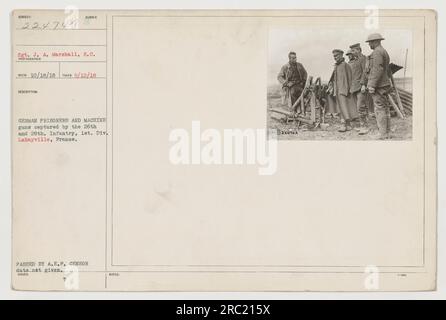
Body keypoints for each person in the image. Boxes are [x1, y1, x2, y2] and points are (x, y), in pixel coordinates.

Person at [364, 33, 392, 139]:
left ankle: (382, 134)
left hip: (379, 86)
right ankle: (387, 132)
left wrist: (372, 84)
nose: (369, 44)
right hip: (384, 84)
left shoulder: (377, 52)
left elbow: (377, 69)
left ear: (375, 41)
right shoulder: (383, 51)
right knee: (385, 108)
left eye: (370, 42)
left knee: (379, 108)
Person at [328, 49, 358, 132]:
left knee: (344, 108)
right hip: (337, 90)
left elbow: (350, 78)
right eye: (334, 56)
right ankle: (347, 125)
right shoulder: (336, 66)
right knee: (341, 107)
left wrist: (349, 89)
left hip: (344, 90)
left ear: (341, 55)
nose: (335, 57)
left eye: (337, 55)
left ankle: (344, 125)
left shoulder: (345, 65)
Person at [349, 43, 369, 135]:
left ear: (358, 50)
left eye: (353, 50)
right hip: (355, 87)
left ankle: (364, 127)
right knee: (359, 107)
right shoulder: (356, 60)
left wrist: (364, 84)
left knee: (361, 107)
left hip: (361, 87)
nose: (352, 52)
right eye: (351, 51)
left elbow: (365, 72)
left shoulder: (363, 59)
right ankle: (362, 125)